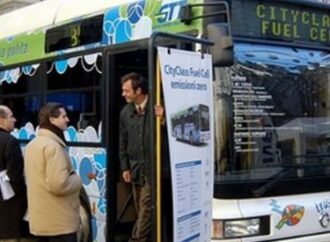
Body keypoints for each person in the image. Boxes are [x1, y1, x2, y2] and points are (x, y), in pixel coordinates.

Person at [24, 103, 82, 242]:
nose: (67, 119)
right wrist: (78, 179)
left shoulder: (33, 144)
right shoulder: (53, 147)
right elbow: (59, 185)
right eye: (63, 116)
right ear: (52, 120)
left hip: (42, 221)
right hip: (59, 223)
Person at [119, 72, 164, 242]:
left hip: (155, 169)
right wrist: (125, 167)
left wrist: (164, 118)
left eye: (126, 90)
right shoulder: (125, 113)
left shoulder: (158, 106)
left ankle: (135, 240)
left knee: (146, 209)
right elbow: (122, 142)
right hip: (136, 169)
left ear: (138, 91)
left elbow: (180, 130)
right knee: (141, 211)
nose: (123, 94)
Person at [0, 105, 31, 242]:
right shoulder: (10, 141)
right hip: (8, 210)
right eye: (11, 116)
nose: (15, 119)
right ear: (1, 120)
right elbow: (15, 178)